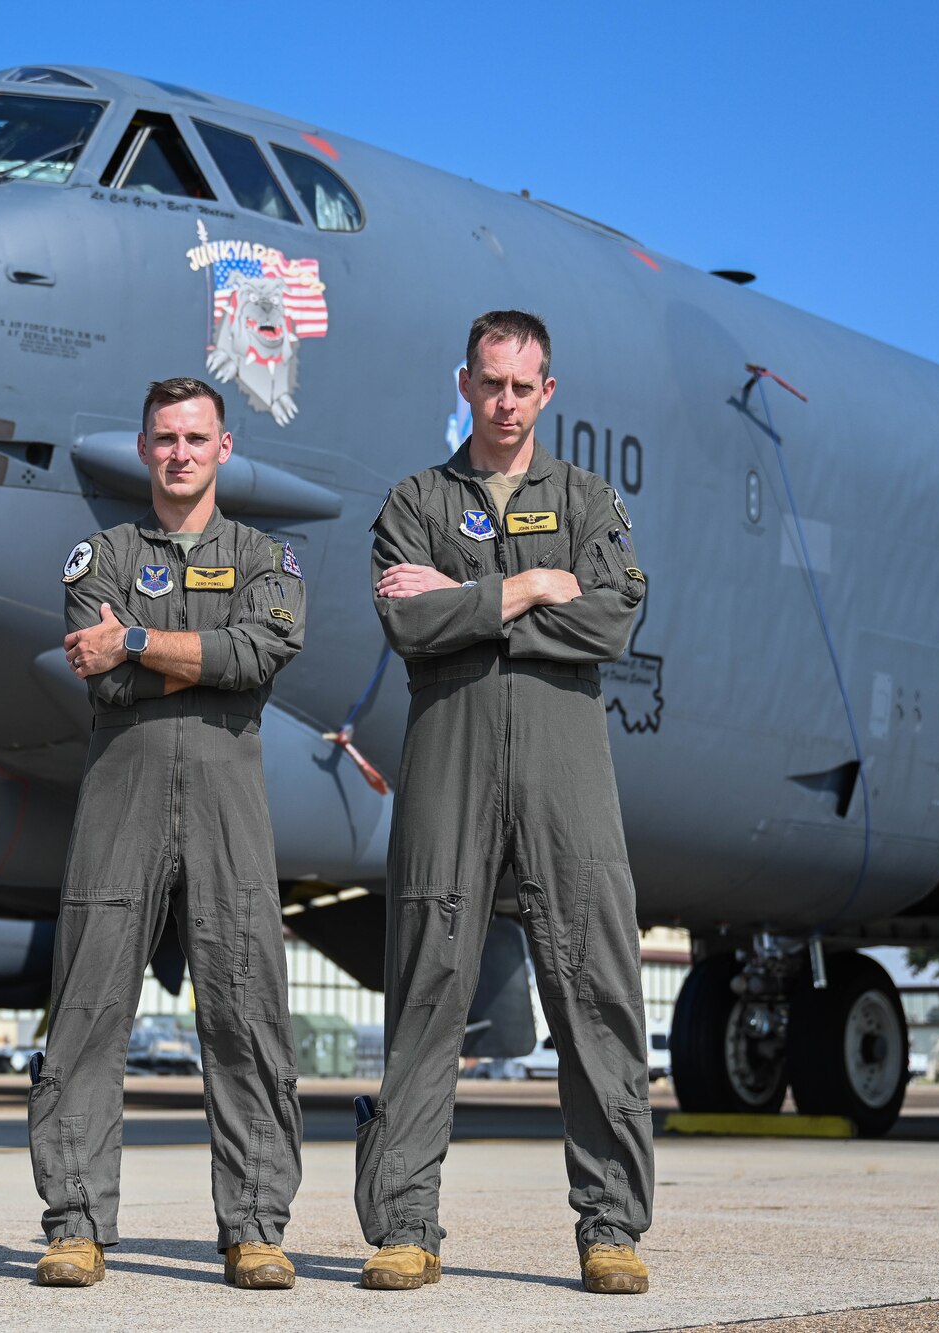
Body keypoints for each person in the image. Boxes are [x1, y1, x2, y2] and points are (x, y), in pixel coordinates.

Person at [354, 311, 654, 1295]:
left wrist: (472, 601)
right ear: (464, 383)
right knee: (426, 989)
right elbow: (404, 616)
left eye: (523, 386)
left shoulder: (587, 498)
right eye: (489, 383)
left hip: (565, 776)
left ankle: (609, 1226)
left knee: (596, 993)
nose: (505, 402)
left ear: (547, 392)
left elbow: (611, 614)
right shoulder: (412, 500)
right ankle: (404, 1224)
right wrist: (527, 586)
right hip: (449, 766)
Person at [28, 377, 307, 1290]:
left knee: (247, 1012)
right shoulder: (98, 557)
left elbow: (257, 657)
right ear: (145, 449)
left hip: (229, 800)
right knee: (88, 1011)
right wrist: (199, 656)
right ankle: (75, 1222)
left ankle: (256, 1225)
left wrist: (141, 644)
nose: (181, 452)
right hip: (122, 794)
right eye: (165, 438)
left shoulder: (268, 558)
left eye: (197, 437)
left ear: (224, 448)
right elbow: (95, 675)